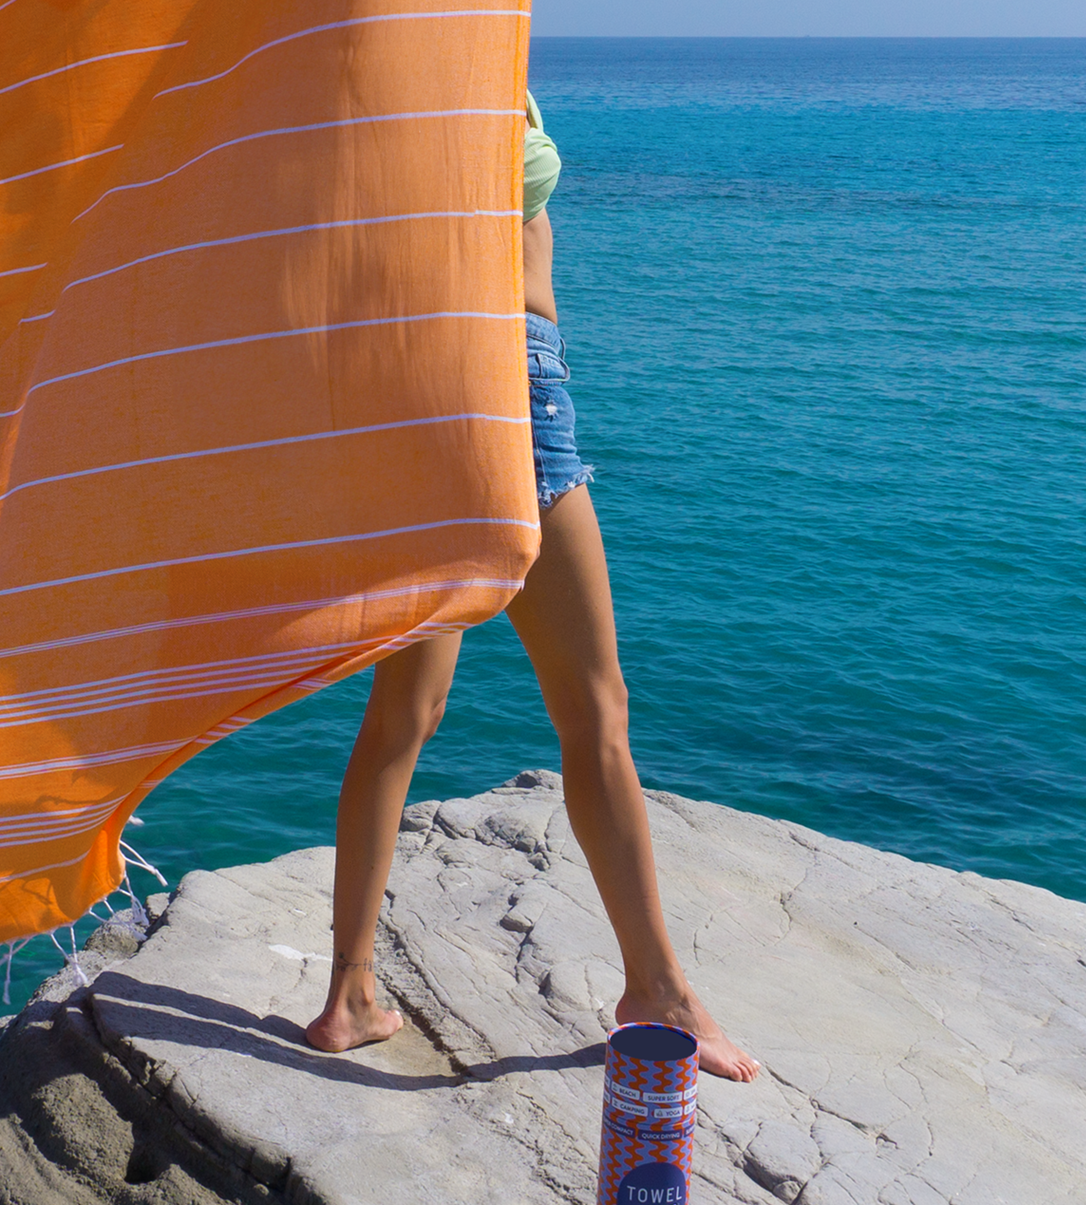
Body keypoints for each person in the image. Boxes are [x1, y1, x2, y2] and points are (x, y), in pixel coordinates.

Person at [305, 92, 762, 1082]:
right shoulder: (452, 42)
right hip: (507, 378)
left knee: (403, 717)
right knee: (596, 711)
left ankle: (348, 993)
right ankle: (659, 991)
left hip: (417, 393)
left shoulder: (411, 50)